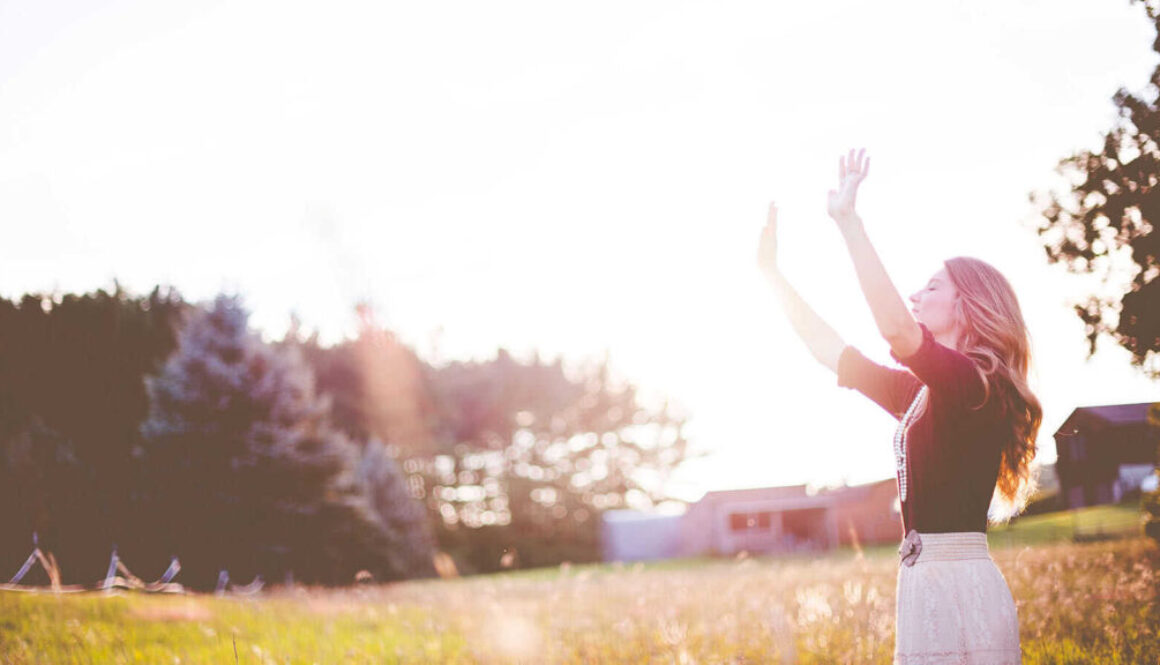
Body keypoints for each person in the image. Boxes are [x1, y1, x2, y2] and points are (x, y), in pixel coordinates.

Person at [756, 149, 1040, 664]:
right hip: (923, 583)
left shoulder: (975, 385)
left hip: (959, 585)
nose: (915, 295)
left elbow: (896, 331)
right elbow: (832, 352)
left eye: (933, 287)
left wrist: (848, 223)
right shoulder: (925, 394)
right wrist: (772, 276)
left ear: (969, 305)